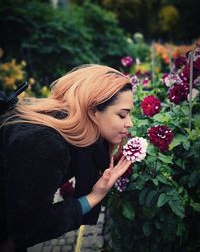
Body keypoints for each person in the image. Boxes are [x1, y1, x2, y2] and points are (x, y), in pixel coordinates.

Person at [0, 64, 133, 252]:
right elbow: (26, 229)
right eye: (122, 114)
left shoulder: (58, 128)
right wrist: (93, 197)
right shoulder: (46, 144)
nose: (130, 123)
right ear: (93, 111)